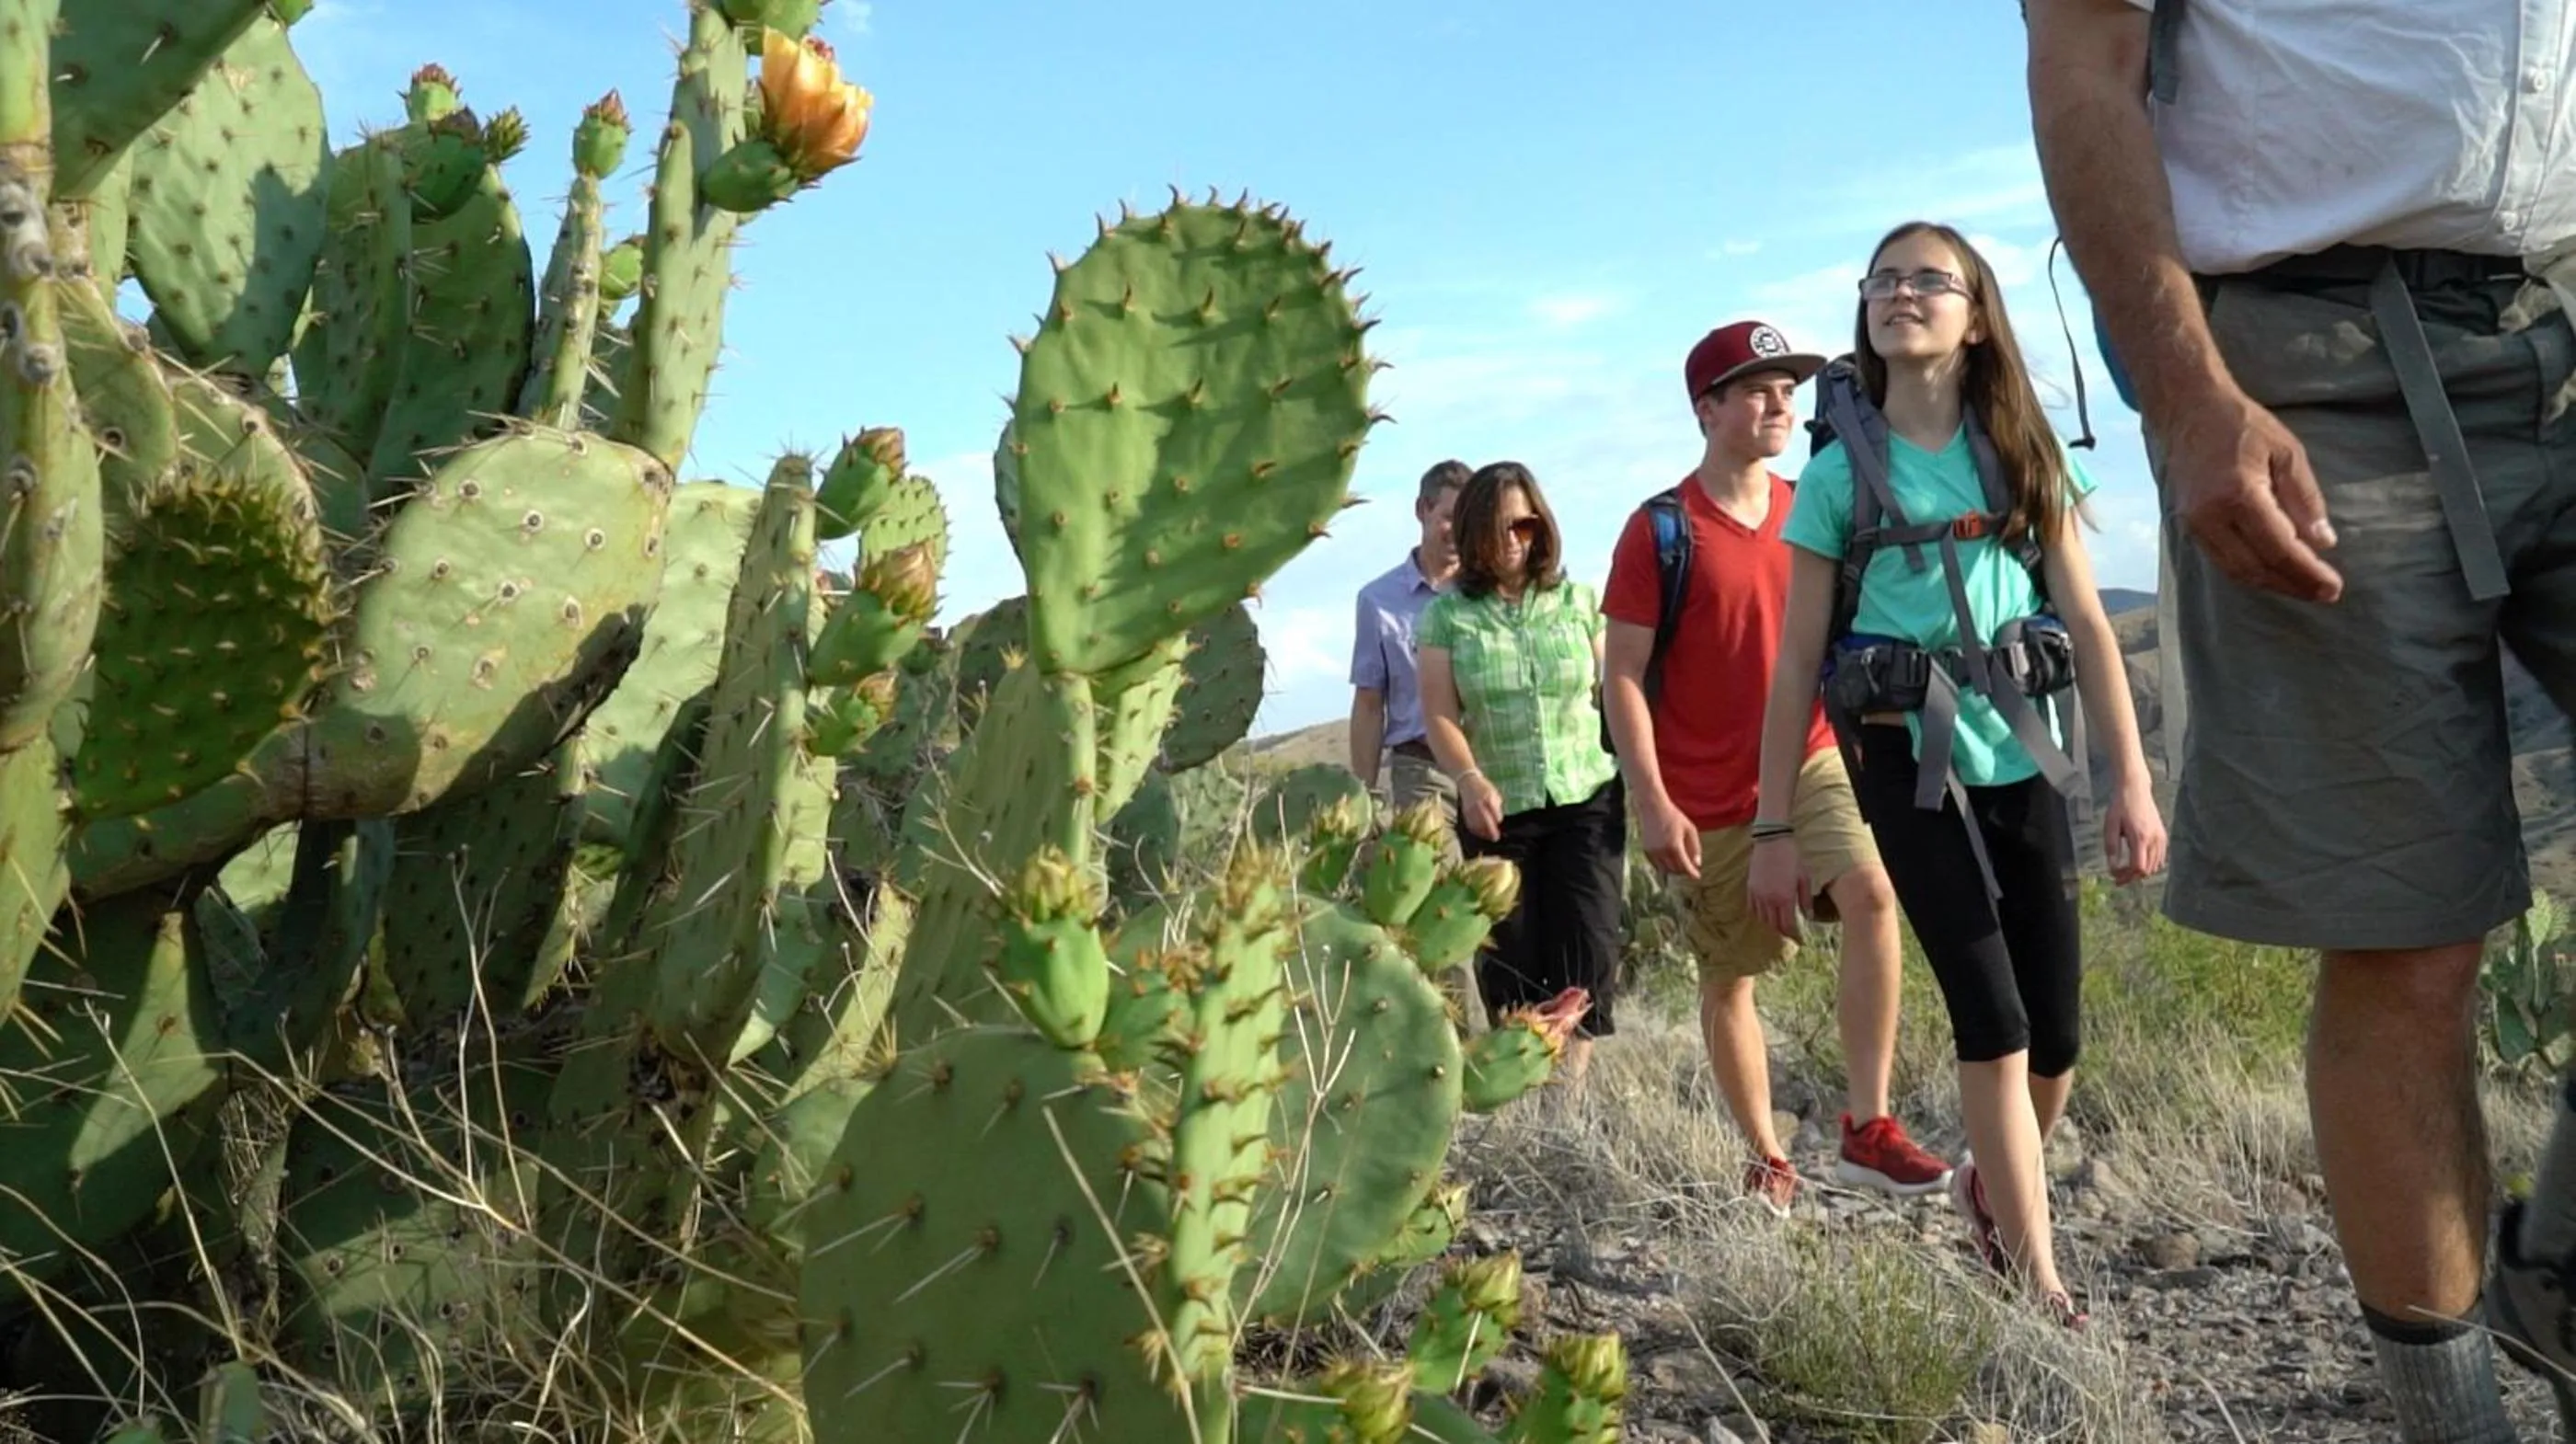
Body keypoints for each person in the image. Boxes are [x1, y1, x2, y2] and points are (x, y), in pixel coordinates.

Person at [2029, 0, 2576, 1432]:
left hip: (2568, 309)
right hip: (2310, 358)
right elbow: (2085, 55)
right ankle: (2456, 1421)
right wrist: (2184, 394)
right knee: (2409, 934)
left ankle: (2561, 1262)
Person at [1748, 221, 2166, 1330]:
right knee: (1991, 1015)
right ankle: (2037, 1278)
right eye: (1882, 280)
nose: (1900, 294)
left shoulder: (2022, 453)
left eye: (1928, 279)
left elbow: (2085, 619)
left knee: (2056, 1038)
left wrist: (2132, 783)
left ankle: (1993, 1179)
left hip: (2018, 743)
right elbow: (1794, 661)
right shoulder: (1837, 477)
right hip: (1897, 753)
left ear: (1975, 314)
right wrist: (1772, 826)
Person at [1601, 318, 1951, 1216]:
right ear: (1705, 409)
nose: (1777, 403)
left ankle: (1866, 1123)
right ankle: (1765, 1155)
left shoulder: (1813, 504)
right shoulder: (1661, 531)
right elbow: (1622, 677)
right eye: (1756, 389)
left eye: (1787, 389)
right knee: (1730, 980)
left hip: (1809, 755)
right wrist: (1649, 801)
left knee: (1874, 895)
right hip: (1704, 792)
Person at [1418, 461, 1627, 1084]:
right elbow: (1439, 714)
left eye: (1524, 524)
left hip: (1586, 797)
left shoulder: (1579, 603)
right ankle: (1521, 1089)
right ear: (1474, 532)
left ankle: (1568, 1098)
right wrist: (1469, 778)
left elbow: (1614, 693)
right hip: (1500, 810)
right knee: (1512, 960)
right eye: (1497, 527)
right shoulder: (1448, 619)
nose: (1512, 539)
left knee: (1586, 951)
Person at [1350, 460, 1468, 821]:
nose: (1459, 531)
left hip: (1494, 767)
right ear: (1422, 510)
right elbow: (1370, 704)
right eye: (1450, 517)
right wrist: (1363, 800)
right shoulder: (1377, 600)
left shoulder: (1488, 594)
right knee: (1433, 872)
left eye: (1469, 520)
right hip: (1422, 771)